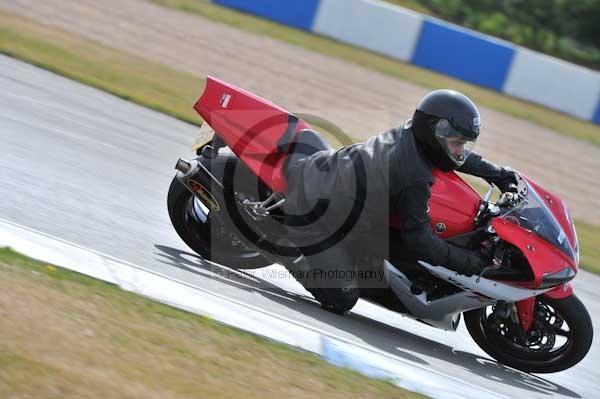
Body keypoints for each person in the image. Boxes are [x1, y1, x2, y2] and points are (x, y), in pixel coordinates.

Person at [282, 89, 518, 314]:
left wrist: (499, 174)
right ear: (436, 132)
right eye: (458, 142)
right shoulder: (413, 174)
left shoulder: (413, 135)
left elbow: (454, 156)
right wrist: (471, 264)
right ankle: (286, 250)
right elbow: (421, 241)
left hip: (334, 184)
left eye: (463, 143)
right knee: (343, 298)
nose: (460, 150)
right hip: (313, 216)